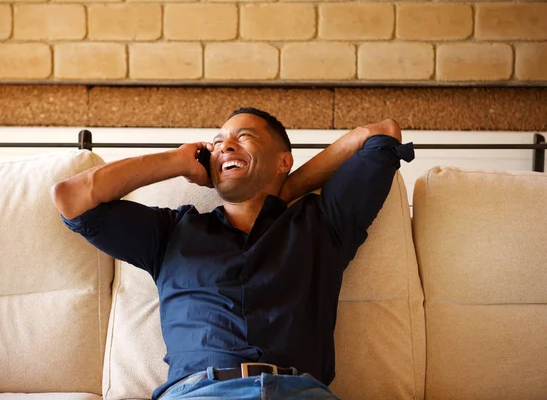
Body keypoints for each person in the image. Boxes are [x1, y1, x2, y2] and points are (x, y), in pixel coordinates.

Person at [51, 108, 414, 399]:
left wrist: (285, 191)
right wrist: (178, 160)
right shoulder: (170, 234)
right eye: (217, 143)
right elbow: (71, 197)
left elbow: (381, 133)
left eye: (244, 137)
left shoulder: (323, 224)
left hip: (299, 393)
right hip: (199, 392)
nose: (225, 146)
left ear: (283, 160)